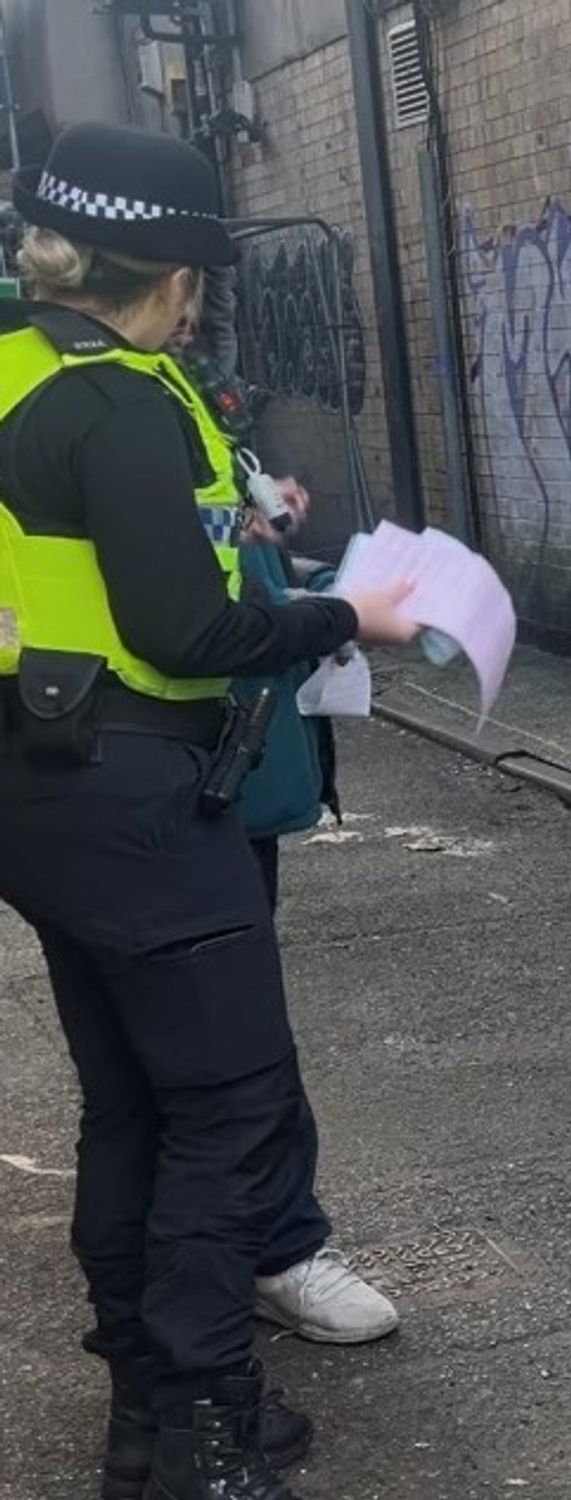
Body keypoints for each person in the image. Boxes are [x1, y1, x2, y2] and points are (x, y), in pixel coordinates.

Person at [0, 122, 417, 1500]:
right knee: (228, 1114)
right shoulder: (122, 397)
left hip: (39, 794)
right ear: (171, 275)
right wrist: (348, 614)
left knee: (131, 1105)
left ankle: (141, 1400)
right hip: (140, 805)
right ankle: (204, 1432)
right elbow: (183, 629)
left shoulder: (13, 371)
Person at [165, 313, 403, 1348]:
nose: (188, 309)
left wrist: (252, 536)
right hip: (156, 763)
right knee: (225, 1029)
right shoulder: (85, 388)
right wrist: (339, 617)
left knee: (223, 1018)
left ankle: (252, 1245)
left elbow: (177, 544)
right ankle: (274, 1250)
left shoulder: (162, 387)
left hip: (217, 765)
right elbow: (175, 612)